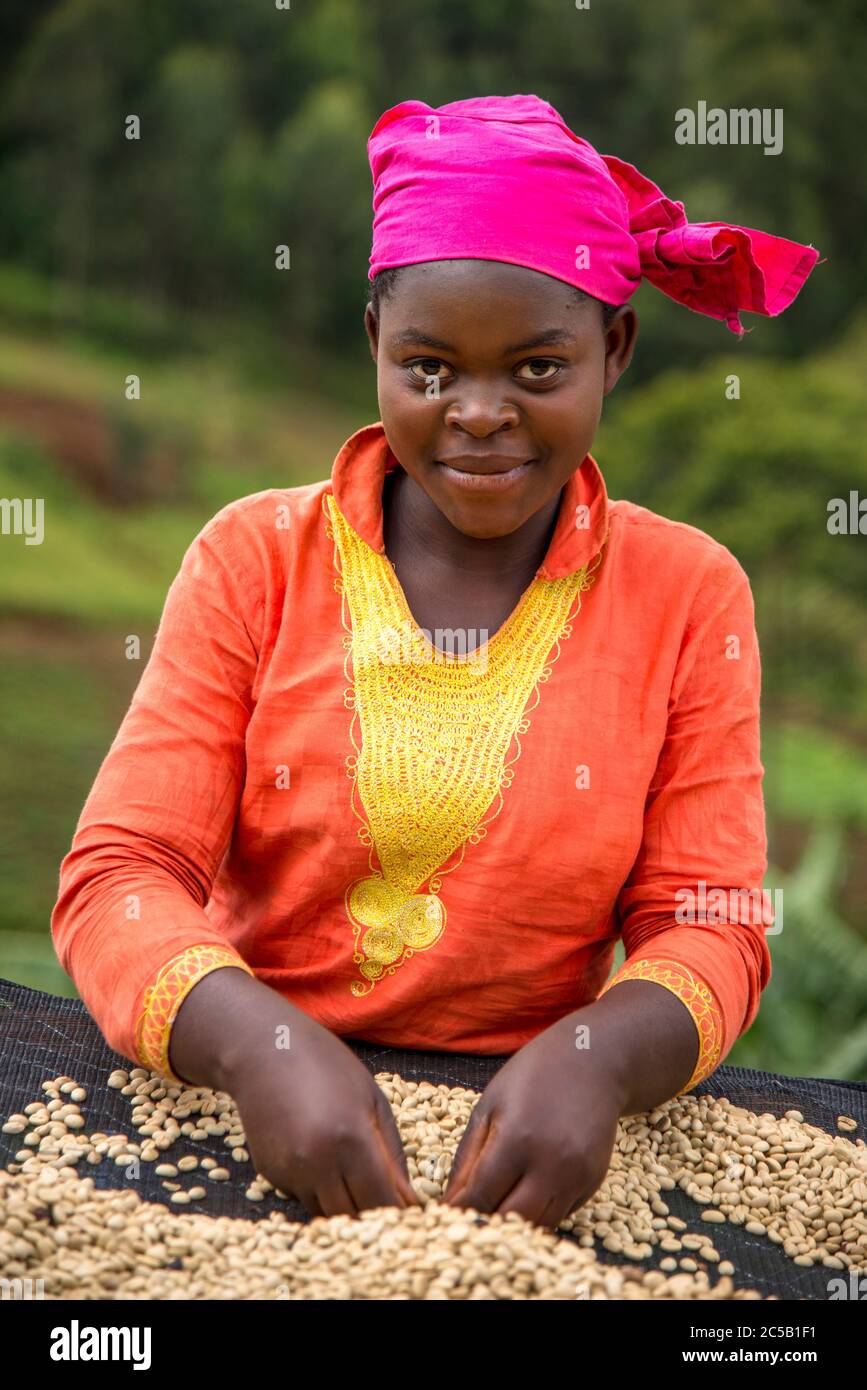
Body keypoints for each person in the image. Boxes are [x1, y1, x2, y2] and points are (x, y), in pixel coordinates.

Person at [51, 94, 818, 1230]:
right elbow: (120, 874)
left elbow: (710, 915)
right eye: (428, 367)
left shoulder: (688, 593)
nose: (478, 414)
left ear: (615, 349)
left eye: (538, 370)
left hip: (529, 1139)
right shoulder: (253, 560)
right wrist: (261, 1050)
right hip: (244, 1099)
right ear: (375, 346)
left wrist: (598, 1062)